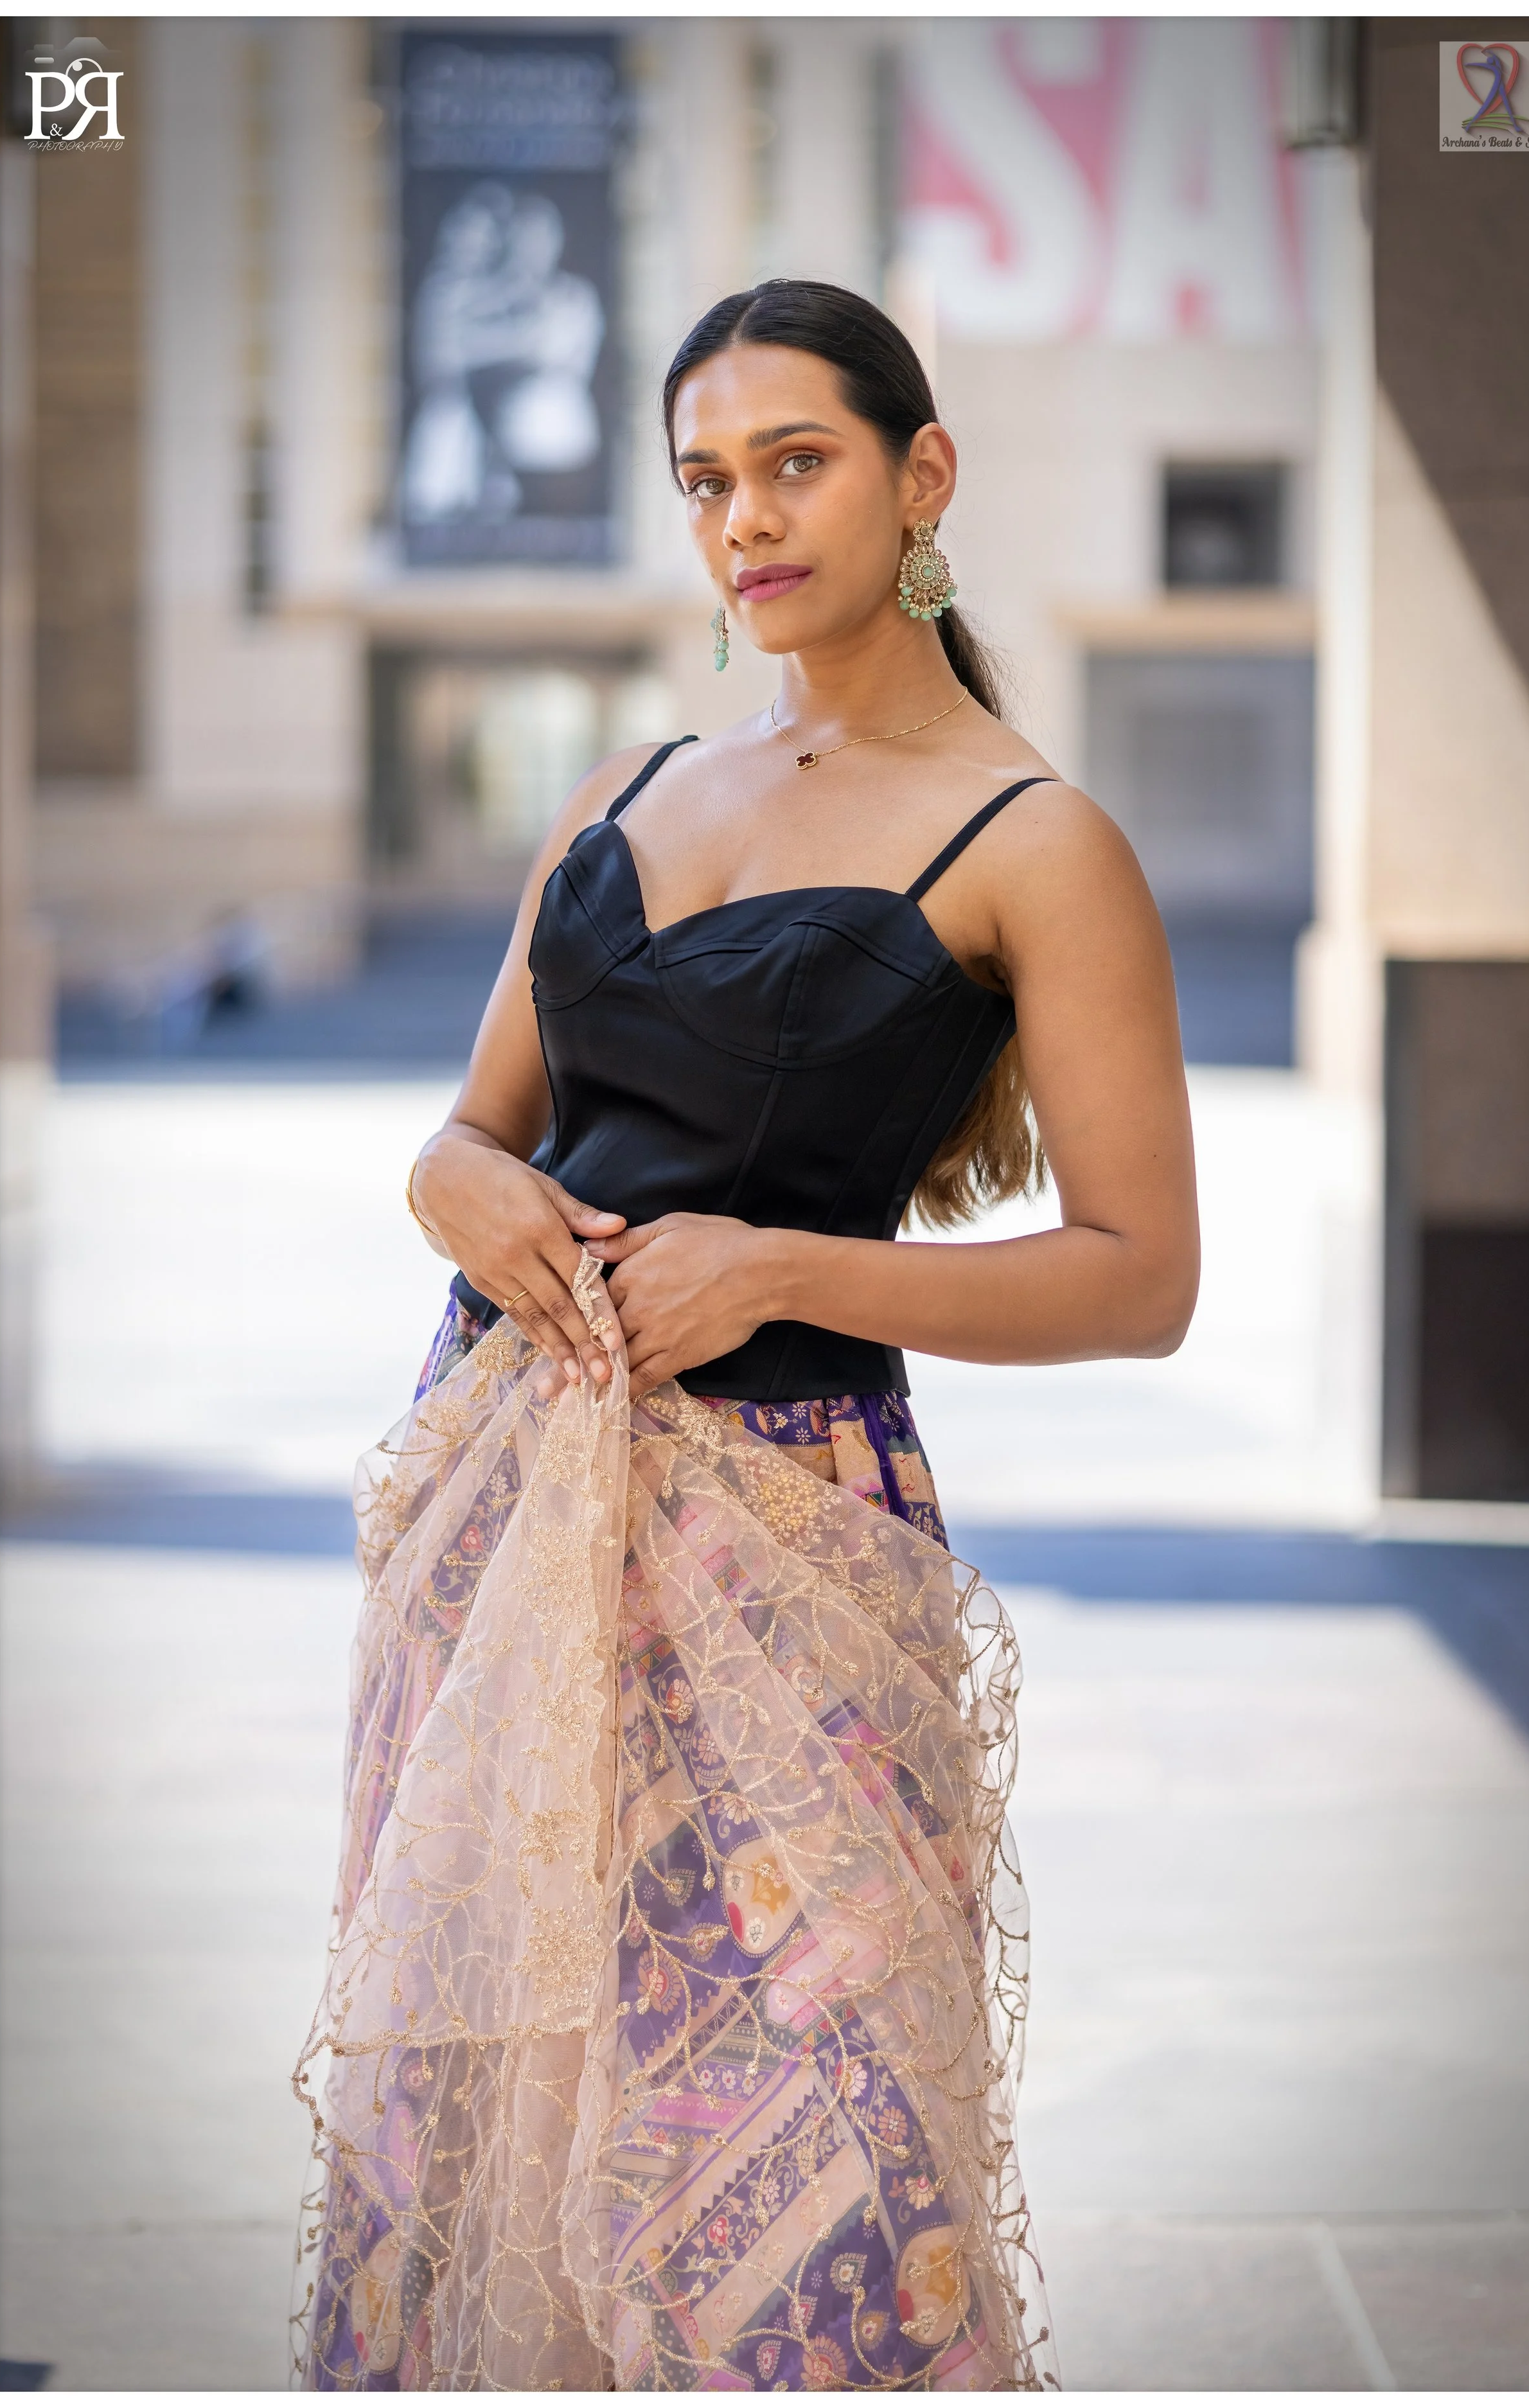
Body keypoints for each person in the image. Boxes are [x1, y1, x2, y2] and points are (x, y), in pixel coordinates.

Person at [295, 278, 1199, 2393]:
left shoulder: (1035, 840)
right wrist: (450, 1178)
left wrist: (786, 1267)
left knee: (809, 2150)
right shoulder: (622, 780)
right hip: (497, 1507)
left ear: (921, 476)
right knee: (487, 2103)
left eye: (796, 462)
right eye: (708, 481)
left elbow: (1141, 1272)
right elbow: (471, 1122)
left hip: (784, 1542)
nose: (747, 522)